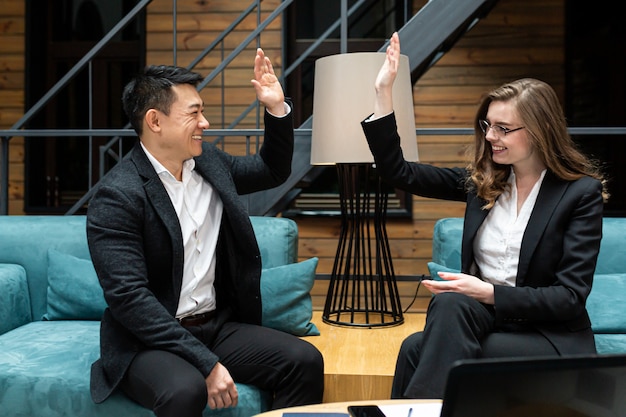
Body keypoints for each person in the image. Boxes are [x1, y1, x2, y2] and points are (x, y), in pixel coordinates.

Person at [361, 32, 608, 400]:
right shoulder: (482, 184)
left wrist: (488, 292)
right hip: (486, 320)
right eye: (488, 125)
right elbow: (400, 172)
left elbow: (568, 298)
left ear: (539, 131)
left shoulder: (578, 194)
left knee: (418, 349)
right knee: (446, 304)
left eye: (503, 128)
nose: (491, 135)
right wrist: (384, 93)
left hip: (548, 336)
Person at [86, 49, 324, 417]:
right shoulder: (117, 196)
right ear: (155, 121)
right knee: (185, 391)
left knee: (303, 360)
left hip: (215, 326)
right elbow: (130, 300)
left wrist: (277, 108)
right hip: (148, 341)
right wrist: (207, 365)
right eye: (194, 113)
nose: (205, 123)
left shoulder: (208, 163)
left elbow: (271, 172)